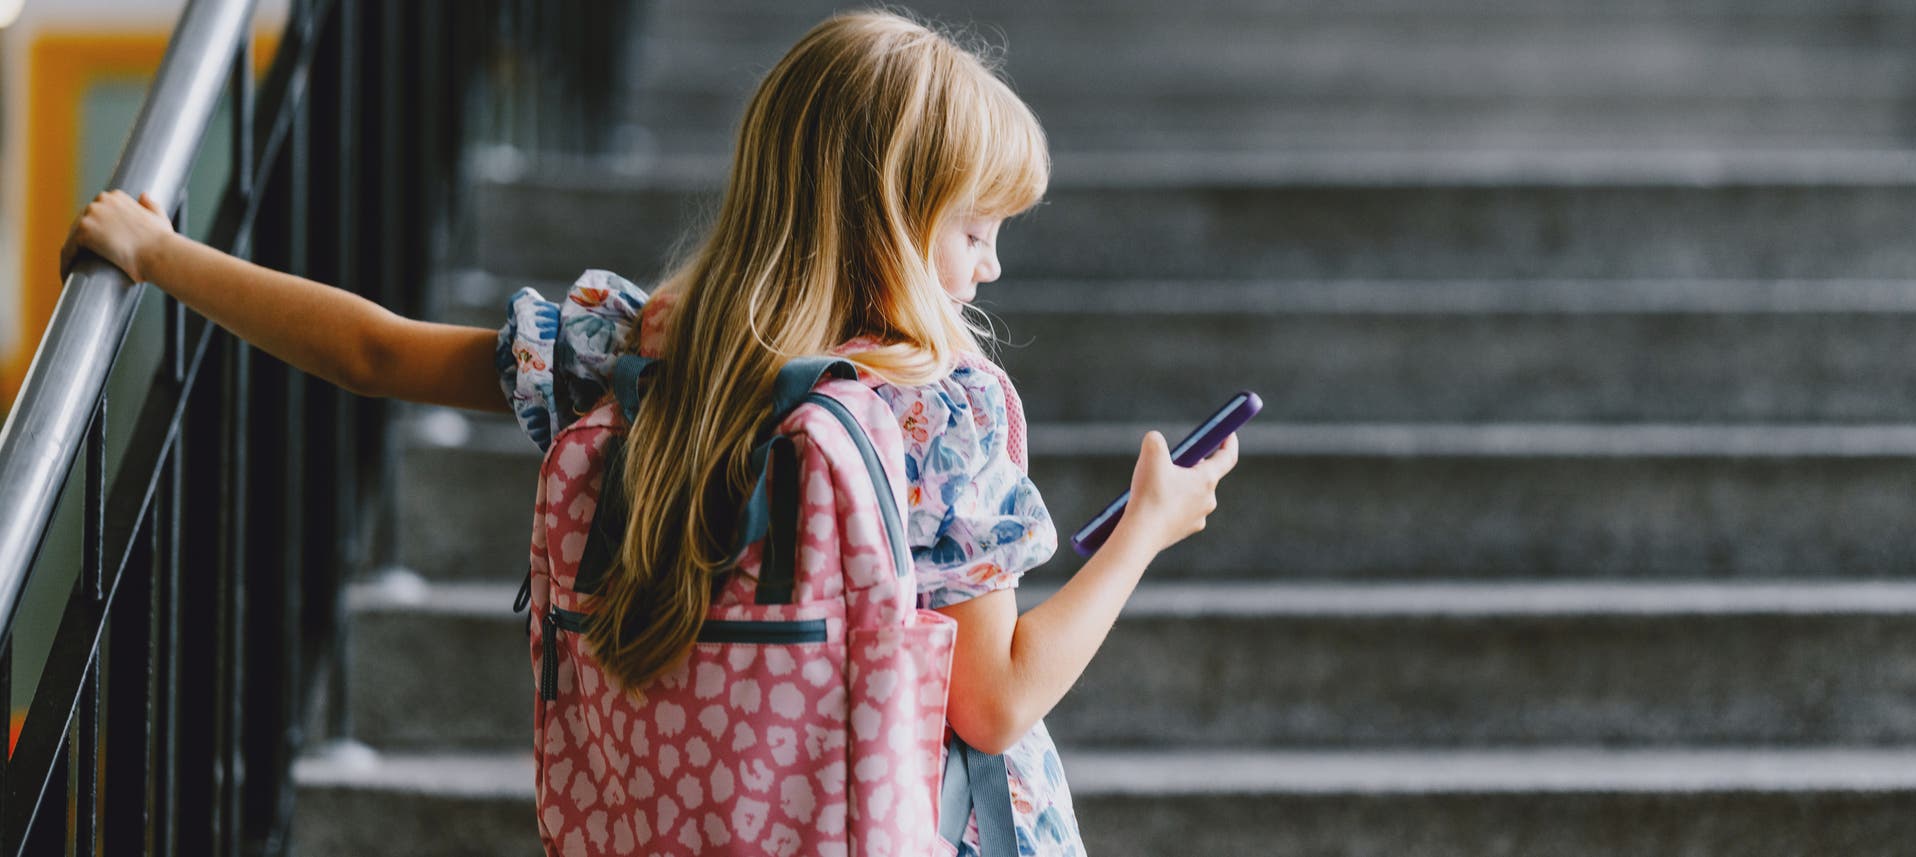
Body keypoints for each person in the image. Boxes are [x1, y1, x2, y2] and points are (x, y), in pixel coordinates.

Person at [65, 10, 1238, 854]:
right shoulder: (934, 404)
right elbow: (994, 700)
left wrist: (164, 254)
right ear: (887, 215)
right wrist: (1141, 529)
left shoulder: (631, 354)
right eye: (974, 228)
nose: (990, 264)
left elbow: (374, 351)